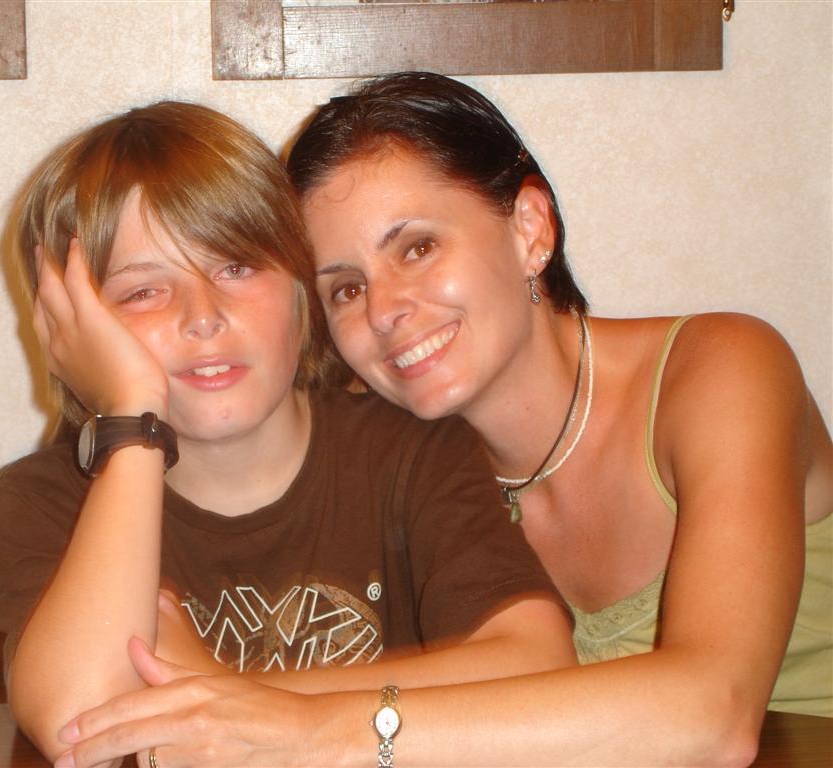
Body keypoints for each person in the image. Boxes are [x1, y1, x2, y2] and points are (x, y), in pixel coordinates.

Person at [53, 74, 831, 768]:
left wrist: (291, 724)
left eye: (417, 247)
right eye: (346, 288)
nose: (386, 309)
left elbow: (715, 717)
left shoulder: (722, 370)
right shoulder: (398, 456)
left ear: (531, 229)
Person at [0, 99, 576, 765]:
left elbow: (538, 665)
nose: (203, 316)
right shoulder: (50, 499)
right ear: (71, 331)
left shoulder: (409, 448)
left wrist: (226, 699)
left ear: (302, 292)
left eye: (235, 267)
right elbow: (79, 727)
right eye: (143, 291)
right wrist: (130, 417)